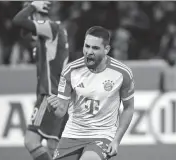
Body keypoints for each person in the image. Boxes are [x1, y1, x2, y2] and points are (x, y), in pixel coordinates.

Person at [47, 26, 135, 160]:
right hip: (73, 133)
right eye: (86, 46)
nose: (89, 52)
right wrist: (52, 107)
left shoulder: (122, 73)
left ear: (106, 50)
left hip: (102, 135)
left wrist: (116, 140)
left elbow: (128, 108)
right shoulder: (71, 71)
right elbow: (61, 112)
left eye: (95, 48)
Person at [12, 1, 69, 160]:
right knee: (53, 147)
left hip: (49, 95)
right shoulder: (54, 31)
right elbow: (24, 31)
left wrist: (31, 6)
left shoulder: (51, 28)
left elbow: (18, 21)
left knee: (31, 141)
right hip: (58, 94)